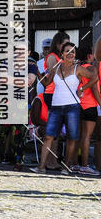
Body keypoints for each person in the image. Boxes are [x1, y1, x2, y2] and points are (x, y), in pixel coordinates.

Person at [38, 41, 95, 173]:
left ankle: (66, 165)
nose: (70, 54)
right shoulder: (56, 68)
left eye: (73, 52)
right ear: (62, 53)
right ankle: (41, 166)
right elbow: (47, 83)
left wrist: (82, 88)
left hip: (72, 107)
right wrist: (38, 74)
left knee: (71, 137)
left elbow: (94, 78)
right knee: (48, 136)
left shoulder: (78, 68)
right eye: (67, 51)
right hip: (56, 106)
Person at [76, 44, 100, 176]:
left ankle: (75, 163)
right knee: (87, 136)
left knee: (78, 136)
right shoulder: (91, 68)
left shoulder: (78, 68)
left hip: (78, 104)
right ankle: (84, 165)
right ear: (89, 55)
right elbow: (94, 88)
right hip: (90, 104)